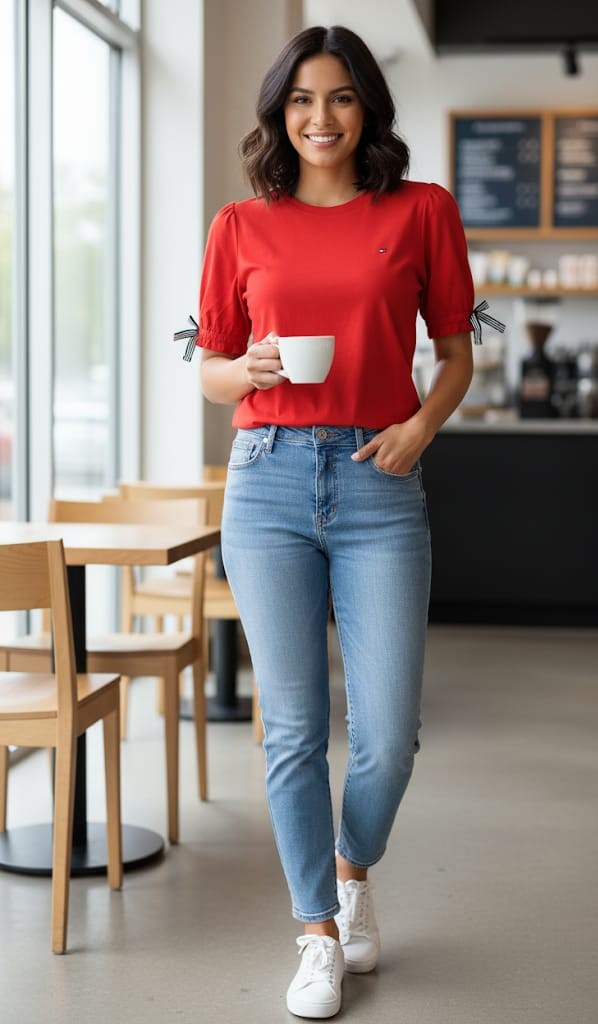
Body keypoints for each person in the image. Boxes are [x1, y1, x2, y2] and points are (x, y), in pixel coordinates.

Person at [197, 24, 479, 1019]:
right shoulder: (239, 224)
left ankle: (352, 870)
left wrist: (418, 429)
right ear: (279, 111)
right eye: (302, 99)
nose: (321, 118)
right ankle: (317, 930)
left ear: (369, 109)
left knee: (388, 737)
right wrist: (251, 370)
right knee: (292, 731)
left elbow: (453, 353)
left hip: (377, 481)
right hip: (266, 480)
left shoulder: (420, 211)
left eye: (342, 98)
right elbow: (210, 366)